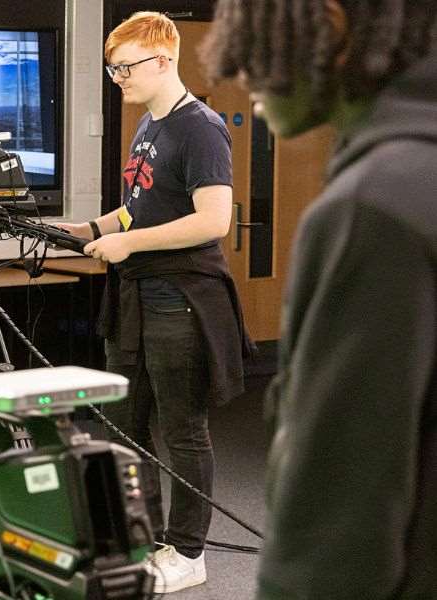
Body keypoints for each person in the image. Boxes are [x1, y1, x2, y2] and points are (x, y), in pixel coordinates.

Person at [202, 1, 437, 597]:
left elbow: (339, 512)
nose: (240, 72)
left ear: (328, 29)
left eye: (255, 41)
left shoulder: (372, 207)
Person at [56, 11, 251, 594]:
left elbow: (214, 220)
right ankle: (139, 539)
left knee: (183, 429)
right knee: (126, 426)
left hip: (181, 298)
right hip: (135, 298)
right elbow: (137, 210)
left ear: (164, 59)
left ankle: (188, 552)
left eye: (125, 67)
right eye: (113, 69)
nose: (118, 78)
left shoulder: (200, 128)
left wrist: (127, 242)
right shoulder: (149, 126)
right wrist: (87, 227)